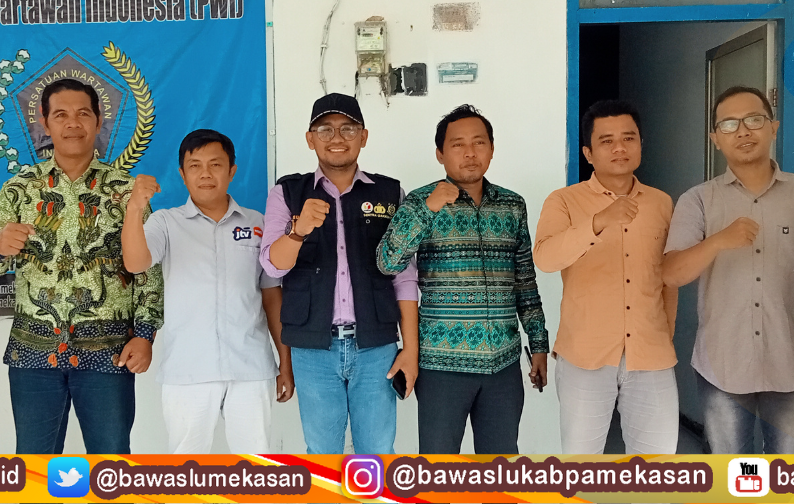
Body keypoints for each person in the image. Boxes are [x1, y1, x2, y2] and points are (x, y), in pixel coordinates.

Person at [0, 78, 164, 454]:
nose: (72, 123)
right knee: (34, 461)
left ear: (98, 122)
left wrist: (145, 335)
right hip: (33, 352)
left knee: (111, 460)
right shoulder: (20, 189)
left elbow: (148, 271)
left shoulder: (126, 190)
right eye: (60, 115)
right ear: (44, 123)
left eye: (83, 114)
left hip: (109, 351)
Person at [379, 104, 550, 454]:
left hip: (503, 364)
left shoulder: (512, 205)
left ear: (492, 148)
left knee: (500, 466)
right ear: (440, 154)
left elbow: (525, 282)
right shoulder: (420, 202)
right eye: (458, 144)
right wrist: (428, 209)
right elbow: (387, 262)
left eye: (479, 142)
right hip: (442, 366)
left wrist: (538, 345)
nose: (470, 152)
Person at [661, 87, 794, 454]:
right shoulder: (698, 200)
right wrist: (718, 241)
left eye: (754, 120)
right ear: (715, 139)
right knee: (735, 476)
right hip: (723, 365)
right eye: (729, 124)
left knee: (791, 478)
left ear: (773, 128)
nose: (743, 131)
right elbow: (672, 274)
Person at [260, 93, 418, 454]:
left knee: (377, 452)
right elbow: (271, 265)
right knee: (322, 454)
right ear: (310, 138)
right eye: (325, 129)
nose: (336, 137)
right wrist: (298, 232)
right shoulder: (287, 192)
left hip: (376, 346)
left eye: (348, 128)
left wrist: (410, 349)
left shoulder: (390, 193)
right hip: (313, 348)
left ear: (363, 136)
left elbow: (405, 278)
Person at [120, 129, 292, 453]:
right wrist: (134, 209)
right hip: (188, 369)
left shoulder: (257, 223)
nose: (206, 174)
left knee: (255, 464)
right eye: (195, 166)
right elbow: (135, 262)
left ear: (232, 170)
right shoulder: (165, 222)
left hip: (250, 367)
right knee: (186, 467)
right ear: (182, 174)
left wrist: (286, 361)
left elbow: (272, 296)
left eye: (215, 164)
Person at [534, 99, 677, 454]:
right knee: (581, 466)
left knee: (658, 467)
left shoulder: (661, 203)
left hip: (651, 355)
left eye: (628, 138)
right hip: (585, 354)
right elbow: (546, 258)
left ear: (641, 144)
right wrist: (598, 222)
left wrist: (665, 333)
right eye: (606, 141)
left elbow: (668, 275)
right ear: (588, 153)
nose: (619, 148)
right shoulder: (564, 201)